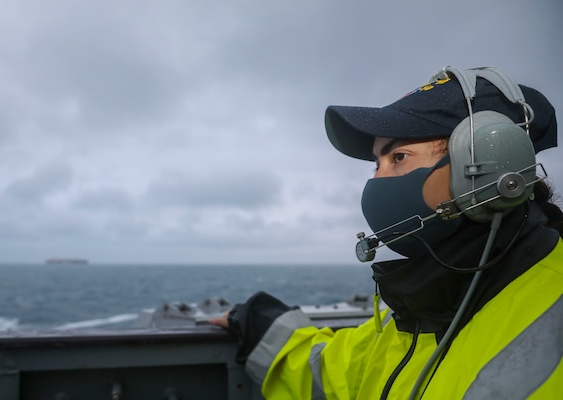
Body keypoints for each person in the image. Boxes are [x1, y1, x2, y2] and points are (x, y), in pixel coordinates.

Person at [210, 66, 563, 399]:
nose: (376, 182)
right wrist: (259, 325)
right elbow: (335, 371)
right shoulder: (421, 312)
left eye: (398, 158)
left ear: (489, 164)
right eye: (376, 164)